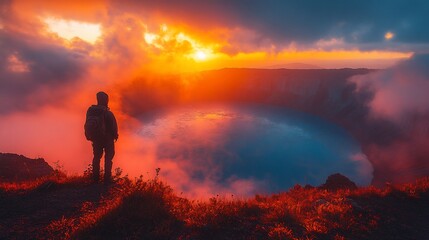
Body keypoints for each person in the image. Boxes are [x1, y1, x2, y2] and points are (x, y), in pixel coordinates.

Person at [85, 91, 118, 184]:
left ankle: (95, 178)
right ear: (106, 100)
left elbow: (87, 123)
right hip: (108, 139)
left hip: (96, 138)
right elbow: (113, 127)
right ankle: (107, 179)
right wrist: (115, 135)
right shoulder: (107, 113)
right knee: (108, 158)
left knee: (96, 157)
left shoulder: (91, 111)